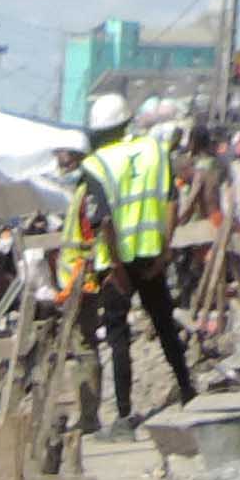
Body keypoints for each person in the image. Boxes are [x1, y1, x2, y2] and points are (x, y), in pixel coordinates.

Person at [69, 95, 198, 430]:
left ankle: (124, 412)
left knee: (117, 335)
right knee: (164, 322)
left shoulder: (96, 165)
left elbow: (103, 221)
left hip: (117, 263)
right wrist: (165, 250)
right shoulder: (155, 151)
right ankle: (186, 388)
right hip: (152, 254)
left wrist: (115, 269)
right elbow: (172, 200)